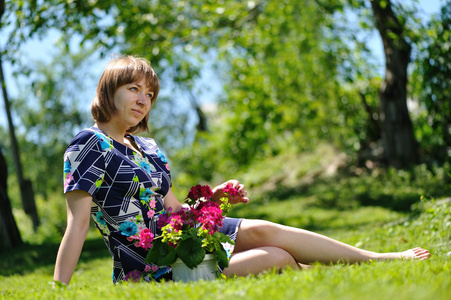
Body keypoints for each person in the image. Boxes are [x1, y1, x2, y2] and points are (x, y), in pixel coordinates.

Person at [53, 55, 430, 286]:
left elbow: (172, 211)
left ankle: (376, 260)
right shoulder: (87, 146)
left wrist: (213, 196)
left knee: (265, 230)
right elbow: (78, 225)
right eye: (133, 89)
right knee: (278, 258)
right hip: (152, 266)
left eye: (149, 94)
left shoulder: (147, 148)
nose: (142, 100)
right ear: (109, 90)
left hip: (181, 236)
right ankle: (340, 270)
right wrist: (59, 290)